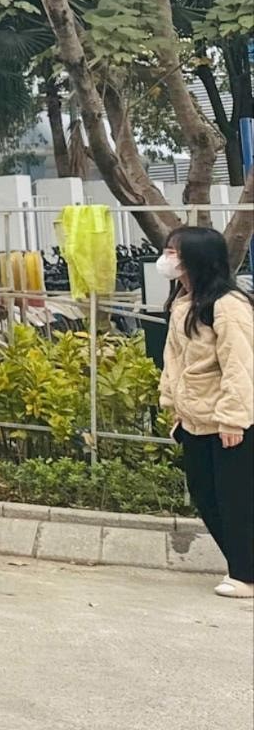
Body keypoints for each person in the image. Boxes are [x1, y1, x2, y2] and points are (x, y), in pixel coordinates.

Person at [157, 226, 254, 599]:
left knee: (236, 499)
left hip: (227, 421)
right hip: (194, 419)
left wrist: (233, 418)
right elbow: (174, 361)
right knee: (205, 493)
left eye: (174, 252)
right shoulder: (184, 302)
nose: (167, 259)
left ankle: (244, 574)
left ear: (196, 258)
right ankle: (243, 566)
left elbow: (240, 365)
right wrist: (173, 405)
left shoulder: (228, 305)